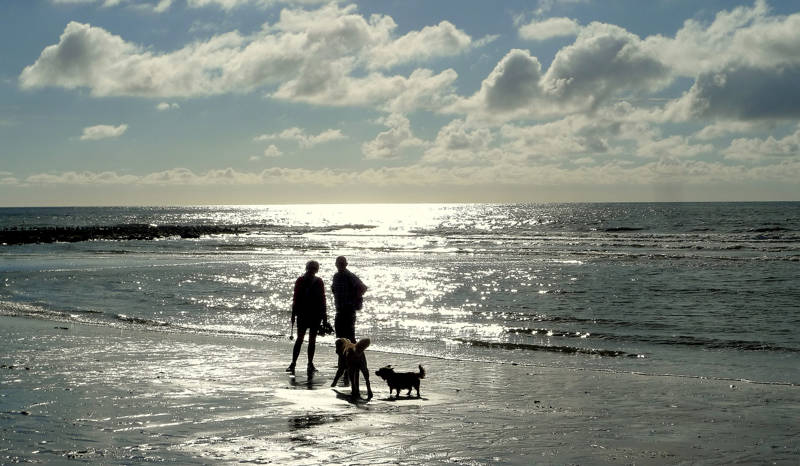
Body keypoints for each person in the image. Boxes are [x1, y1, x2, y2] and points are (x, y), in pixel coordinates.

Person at [287, 260, 328, 375]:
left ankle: (295, 363)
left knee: (301, 339)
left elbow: (296, 298)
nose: (312, 271)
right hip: (313, 314)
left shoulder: (301, 280)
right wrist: (324, 316)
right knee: (310, 340)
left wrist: (293, 314)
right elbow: (322, 299)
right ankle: (308, 364)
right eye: (313, 268)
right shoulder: (318, 281)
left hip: (304, 314)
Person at [331, 256, 367, 343]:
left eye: (342, 264)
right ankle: (344, 356)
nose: (340, 265)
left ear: (346, 264)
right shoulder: (336, 276)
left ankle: (356, 355)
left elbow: (363, 288)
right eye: (339, 264)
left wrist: (354, 299)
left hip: (348, 310)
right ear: (336, 264)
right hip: (339, 309)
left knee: (350, 337)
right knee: (340, 337)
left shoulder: (349, 275)